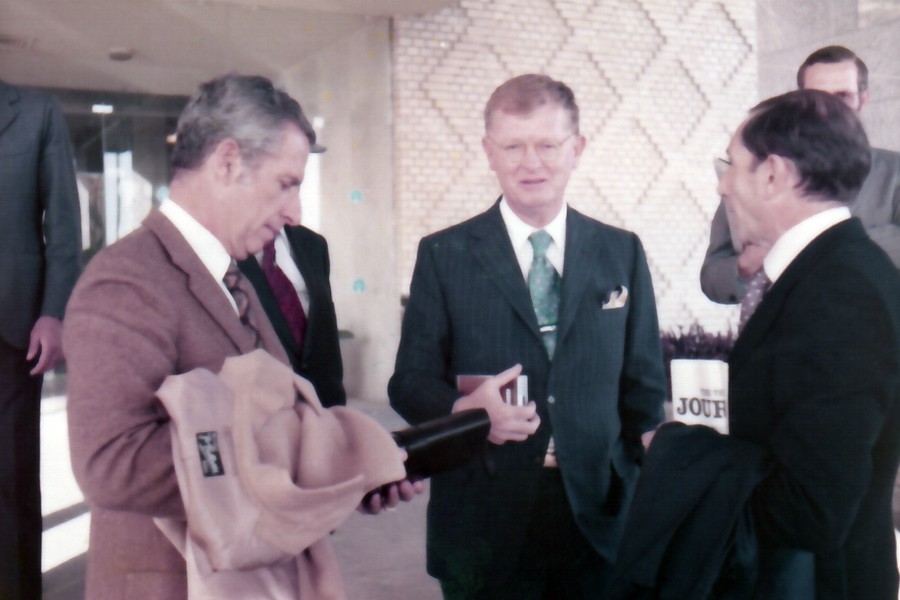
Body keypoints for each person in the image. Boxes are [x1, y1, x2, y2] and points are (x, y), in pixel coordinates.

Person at [63, 74, 417, 600]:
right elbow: (111, 463)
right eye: (285, 184)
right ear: (228, 162)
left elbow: (272, 420)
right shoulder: (127, 280)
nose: (295, 213)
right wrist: (296, 463)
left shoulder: (231, 275)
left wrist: (347, 470)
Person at [388, 74, 667, 599]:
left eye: (547, 145)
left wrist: (641, 491)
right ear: (488, 152)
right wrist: (465, 412)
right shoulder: (444, 255)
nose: (530, 163)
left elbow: (645, 389)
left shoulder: (621, 251)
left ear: (577, 149)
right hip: (482, 519)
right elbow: (408, 382)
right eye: (513, 147)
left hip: (601, 522)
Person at [620, 90, 900, 599]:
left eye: (731, 164)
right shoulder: (832, 269)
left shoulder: (841, 292)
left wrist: (676, 451)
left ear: (773, 175)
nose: (722, 185)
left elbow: (811, 508)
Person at [701, 46, 900, 304]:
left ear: (863, 100)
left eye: (843, 96)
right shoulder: (756, 175)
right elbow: (712, 275)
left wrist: (802, 244)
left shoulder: (896, 171)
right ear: (797, 103)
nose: (829, 110)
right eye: (817, 97)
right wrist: (742, 267)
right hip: (784, 319)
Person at [0, 80, 82, 600]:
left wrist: (54, 313)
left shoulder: (36, 112)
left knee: (11, 484)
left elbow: (64, 224)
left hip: (11, 328)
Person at [237, 217, 346, 408]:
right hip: (264, 405)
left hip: (322, 401)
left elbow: (325, 329)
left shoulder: (313, 243)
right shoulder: (227, 246)